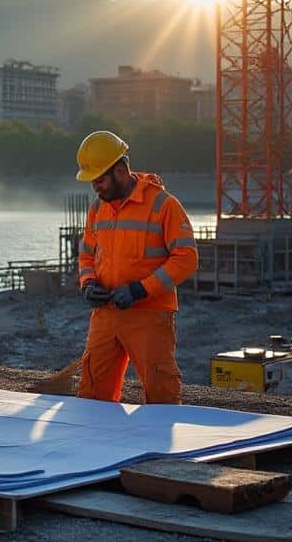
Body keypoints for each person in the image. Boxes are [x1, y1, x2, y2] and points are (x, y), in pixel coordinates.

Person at [74, 130, 198, 404]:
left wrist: (140, 290)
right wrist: (88, 283)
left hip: (149, 315)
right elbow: (86, 255)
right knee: (92, 394)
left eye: (99, 180)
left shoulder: (163, 205)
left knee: (161, 394)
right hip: (106, 314)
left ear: (120, 171)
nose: (95, 187)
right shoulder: (98, 208)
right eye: (92, 181)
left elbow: (186, 258)